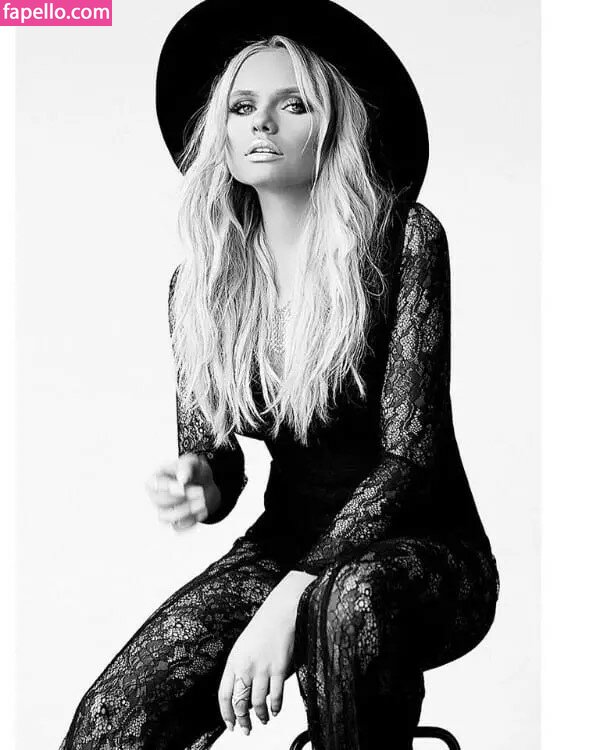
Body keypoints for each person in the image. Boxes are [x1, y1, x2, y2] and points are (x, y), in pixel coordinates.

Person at [59, 4, 500, 750]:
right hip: (285, 545)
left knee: (346, 605)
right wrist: (202, 480)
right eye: (242, 107)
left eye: (291, 104)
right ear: (222, 133)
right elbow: (219, 458)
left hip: (425, 550)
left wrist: (293, 597)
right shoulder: (200, 286)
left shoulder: (405, 240)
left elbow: (409, 458)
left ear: (331, 126)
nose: (261, 123)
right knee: (116, 716)